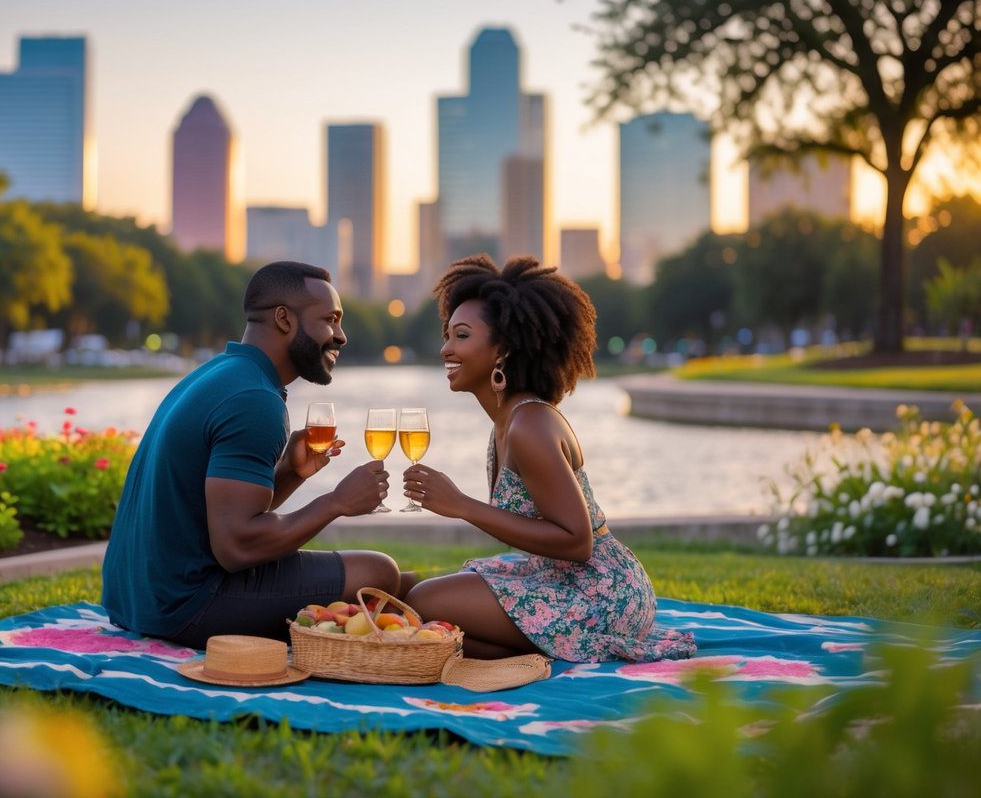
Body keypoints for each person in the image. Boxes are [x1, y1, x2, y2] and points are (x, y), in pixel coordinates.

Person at [400, 255, 696, 662]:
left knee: (425, 602)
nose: (445, 349)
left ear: (502, 349)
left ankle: (559, 646)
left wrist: (462, 506)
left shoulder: (530, 426)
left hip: (602, 591)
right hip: (561, 577)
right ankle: (532, 652)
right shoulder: (507, 421)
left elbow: (578, 541)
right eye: (447, 335)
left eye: (461, 336)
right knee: (429, 613)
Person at [102, 261, 409, 648]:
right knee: (378, 571)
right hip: (184, 607)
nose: (341, 336)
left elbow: (218, 517)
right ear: (284, 319)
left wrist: (290, 474)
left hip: (136, 602)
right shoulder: (255, 401)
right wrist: (336, 502)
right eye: (330, 320)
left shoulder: (221, 373)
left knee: (404, 583)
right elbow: (236, 546)